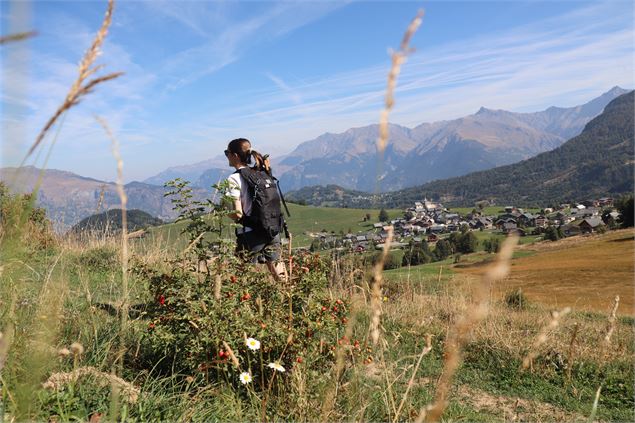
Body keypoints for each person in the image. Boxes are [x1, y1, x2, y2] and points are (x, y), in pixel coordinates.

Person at [224, 138, 288, 281]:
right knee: (281, 276)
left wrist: (224, 211)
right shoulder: (260, 173)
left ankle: (250, 302)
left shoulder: (234, 178)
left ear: (235, 155)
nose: (226, 156)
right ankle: (290, 300)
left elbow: (237, 214)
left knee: (242, 280)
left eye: (227, 153)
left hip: (250, 234)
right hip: (271, 229)